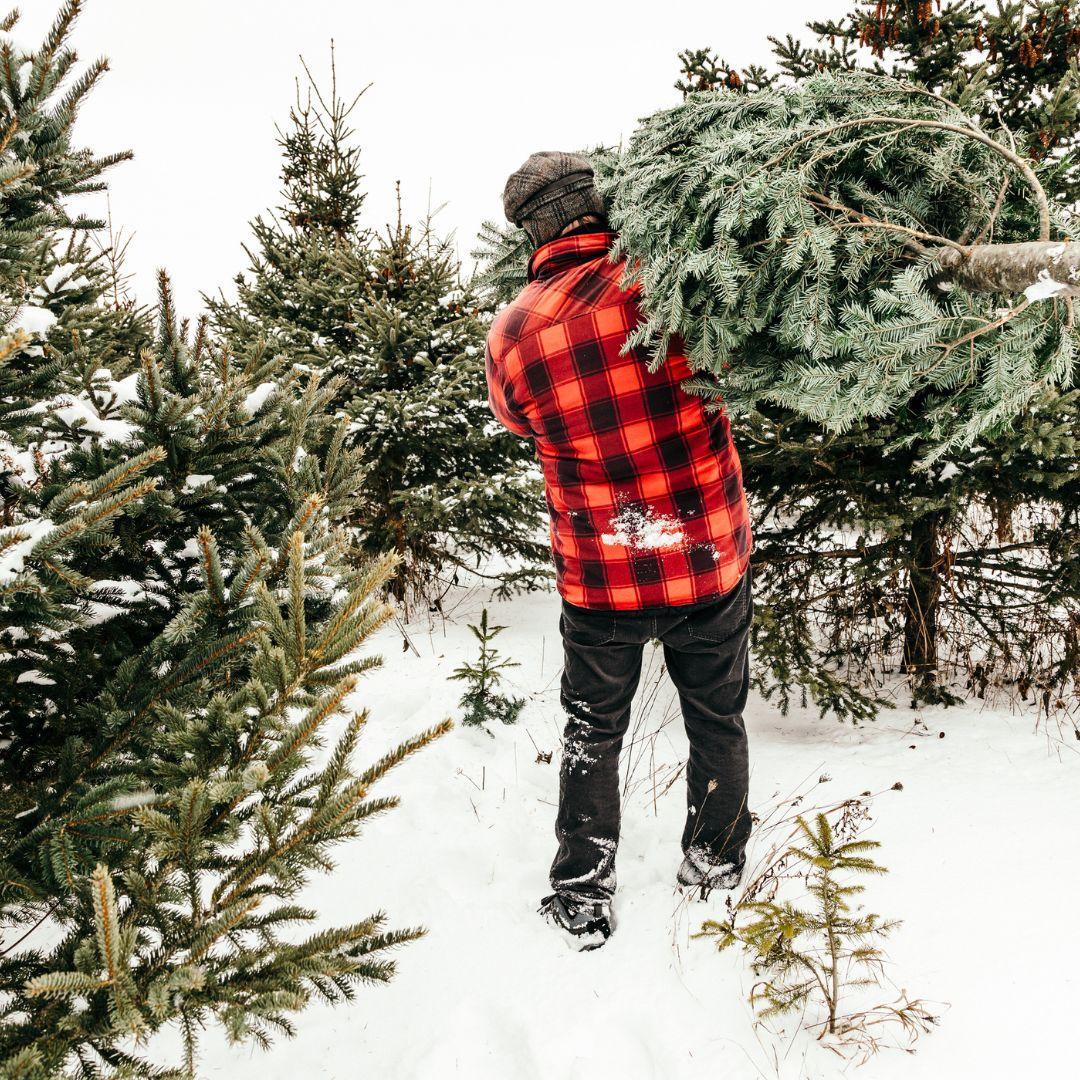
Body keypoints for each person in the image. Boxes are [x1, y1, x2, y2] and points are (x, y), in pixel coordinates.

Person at [485, 151, 754, 951]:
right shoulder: (672, 285)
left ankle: (581, 893)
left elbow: (520, 422)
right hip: (706, 552)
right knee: (716, 715)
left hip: (600, 572)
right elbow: (737, 366)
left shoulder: (513, 331)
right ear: (598, 204)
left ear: (532, 232)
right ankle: (712, 860)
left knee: (590, 728)